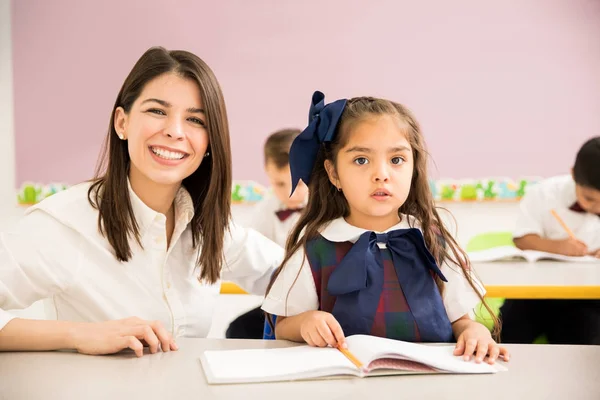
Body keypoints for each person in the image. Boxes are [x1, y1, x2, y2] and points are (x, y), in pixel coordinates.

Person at [0, 47, 283, 357]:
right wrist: (79, 334)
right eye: (157, 111)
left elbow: (291, 273)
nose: (175, 131)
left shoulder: (208, 226)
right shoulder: (64, 224)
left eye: (195, 120)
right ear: (122, 123)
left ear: (209, 142)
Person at [262, 92, 509, 364]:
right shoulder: (315, 248)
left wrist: (475, 332)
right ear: (334, 174)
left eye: (396, 160)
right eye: (361, 160)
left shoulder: (432, 240)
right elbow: (282, 326)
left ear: (414, 167)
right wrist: (305, 322)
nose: (382, 174)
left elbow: (461, 320)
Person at [500, 137, 600, 345]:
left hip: (590, 299)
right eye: (589, 199)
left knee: (584, 348)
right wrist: (558, 247)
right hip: (537, 292)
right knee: (504, 336)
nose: (597, 208)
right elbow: (522, 239)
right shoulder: (544, 193)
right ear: (573, 175)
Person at [226, 128, 308, 339]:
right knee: (238, 330)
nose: (290, 192)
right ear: (267, 171)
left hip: (322, 300)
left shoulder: (328, 205)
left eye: (298, 182)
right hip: (284, 300)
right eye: (280, 184)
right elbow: (252, 257)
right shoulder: (264, 209)